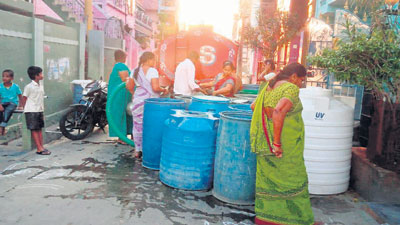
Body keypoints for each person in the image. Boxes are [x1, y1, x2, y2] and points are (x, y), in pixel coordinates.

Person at [250, 63, 314, 225]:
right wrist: (277, 143)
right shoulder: (290, 89)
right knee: (294, 180)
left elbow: (253, 106)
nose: (300, 83)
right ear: (293, 77)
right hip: (284, 146)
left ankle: (266, 219)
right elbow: (279, 110)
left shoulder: (268, 85)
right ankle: (299, 220)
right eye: (301, 80)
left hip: (264, 144)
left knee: (268, 182)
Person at [130, 52, 168, 159]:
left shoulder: (134, 70)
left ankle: (137, 150)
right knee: (150, 126)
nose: (154, 63)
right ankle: (148, 150)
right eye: (154, 60)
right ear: (149, 60)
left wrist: (134, 94)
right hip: (150, 104)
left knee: (137, 125)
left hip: (137, 102)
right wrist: (163, 89)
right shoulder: (152, 71)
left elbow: (129, 85)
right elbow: (155, 88)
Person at [21, 66, 50, 155]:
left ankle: (41, 146)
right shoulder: (29, 87)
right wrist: (24, 108)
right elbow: (24, 98)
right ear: (36, 75)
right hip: (31, 110)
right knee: (34, 129)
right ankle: (38, 148)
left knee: (39, 129)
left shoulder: (41, 85)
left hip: (39, 110)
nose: (42, 75)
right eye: (41, 73)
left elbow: (40, 98)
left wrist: (42, 110)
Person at [107, 50, 132, 143]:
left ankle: (123, 137)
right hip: (120, 95)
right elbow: (125, 79)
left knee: (123, 114)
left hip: (118, 94)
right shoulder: (121, 65)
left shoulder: (116, 66)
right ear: (123, 57)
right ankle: (122, 138)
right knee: (122, 114)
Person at [0, 69, 23, 136]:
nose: (4, 78)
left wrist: (21, 106)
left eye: (7, 76)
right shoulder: (0, 86)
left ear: (12, 78)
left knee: (8, 110)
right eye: (3, 76)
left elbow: (20, 96)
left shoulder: (15, 86)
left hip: (12, 103)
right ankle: (2, 126)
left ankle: (2, 126)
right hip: (3, 103)